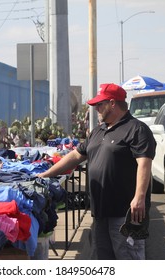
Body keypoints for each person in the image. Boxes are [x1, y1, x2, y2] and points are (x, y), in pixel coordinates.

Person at [38, 83, 156, 260]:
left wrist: (139, 197)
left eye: (100, 104)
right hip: (100, 211)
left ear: (113, 103)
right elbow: (76, 156)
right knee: (102, 259)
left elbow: (144, 164)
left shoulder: (137, 129)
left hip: (124, 213)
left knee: (128, 258)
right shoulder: (98, 131)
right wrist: (45, 175)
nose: (96, 109)